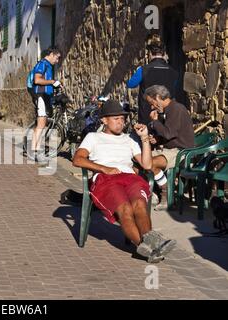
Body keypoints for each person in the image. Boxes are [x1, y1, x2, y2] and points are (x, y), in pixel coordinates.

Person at [73, 99, 176, 263]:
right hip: (106, 179)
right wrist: (103, 168)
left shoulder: (129, 139)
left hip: (130, 178)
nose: (120, 122)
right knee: (125, 209)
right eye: (116, 119)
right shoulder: (93, 137)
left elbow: (146, 164)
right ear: (104, 120)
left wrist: (144, 139)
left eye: (122, 119)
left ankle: (150, 247)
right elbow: (78, 160)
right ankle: (148, 247)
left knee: (140, 205)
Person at [144, 85, 195, 210]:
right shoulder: (167, 110)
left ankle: (166, 193)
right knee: (139, 159)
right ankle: (152, 192)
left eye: (152, 103)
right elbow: (169, 135)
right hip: (170, 150)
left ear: (158, 97)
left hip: (181, 152)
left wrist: (155, 122)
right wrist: (157, 139)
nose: (152, 107)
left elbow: (168, 133)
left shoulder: (176, 109)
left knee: (150, 163)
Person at [127, 35, 179, 125]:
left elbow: (130, 84)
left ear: (150, 54)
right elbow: (174, 89)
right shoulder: (173, 72)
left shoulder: (143, 70)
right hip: (166, 115)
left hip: (147, 115)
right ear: (164, 54)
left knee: (145, 138)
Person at [30, 46, 62, 162]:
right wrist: (52, 82)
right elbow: (37, 80)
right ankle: (35, 152)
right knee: (41, 123)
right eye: (57, 58)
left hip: (45, 96)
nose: (57, 61)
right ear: (52, 54)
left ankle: (36, 150)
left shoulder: (47, 66)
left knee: (43, 124)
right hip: (40, 96)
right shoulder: (42, 64)